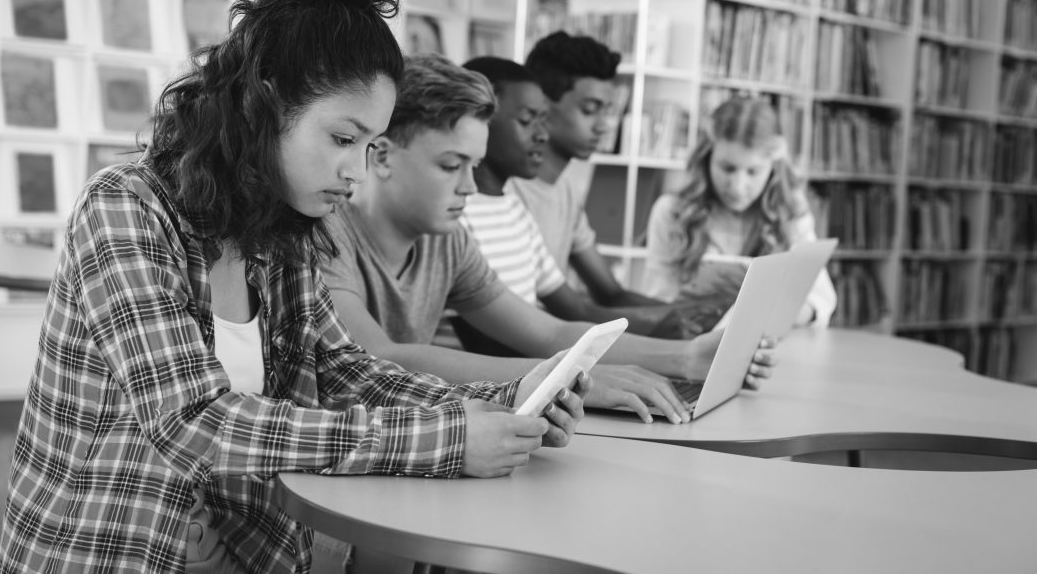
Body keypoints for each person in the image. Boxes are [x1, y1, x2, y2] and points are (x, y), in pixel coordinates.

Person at [0, 0, 586, 574]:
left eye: (369, 145)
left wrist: (502, 399)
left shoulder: (283, 226)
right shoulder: (124, 208)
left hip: (239, 547)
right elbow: (192, 422)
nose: (355, 172)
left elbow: (343, 371)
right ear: (266, 105)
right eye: (341, 138)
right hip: (112, 550)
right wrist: (449, 439)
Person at [322, 54, 778, 430]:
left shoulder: (448, 241)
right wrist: (565, 376)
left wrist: (689, 357)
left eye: (474, 165)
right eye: (450, 166)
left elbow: (549, 331)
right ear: (381, 156)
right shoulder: (329, 236)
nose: (469, 185)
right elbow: (379, 357)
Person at [458, 56, 722, 340]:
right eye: (590, 110)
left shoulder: (522, 206)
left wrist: (686, 318)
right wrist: (663, 329)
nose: (604, 126)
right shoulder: (467, 212)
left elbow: (586, 305)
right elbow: (538, 329)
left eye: (541, 119)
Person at [645, 96, 837, 326]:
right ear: (706, 159)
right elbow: (658, 300)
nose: (737, 186)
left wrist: (776, 311)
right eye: (727, 168)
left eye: (753, 172)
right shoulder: (671, 213)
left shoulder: (791, 213)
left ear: (773, 169)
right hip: (688, 346)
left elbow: (821, 300)